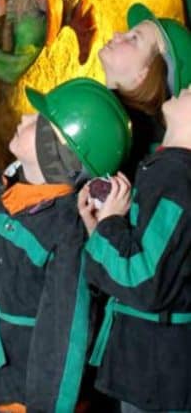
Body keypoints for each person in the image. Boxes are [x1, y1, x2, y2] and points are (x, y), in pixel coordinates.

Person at [0, 78, 132, 413]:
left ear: (59, 151)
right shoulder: (3, 192)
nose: (23, 119)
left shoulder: (68, 228)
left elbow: (64, 330)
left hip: (31, 392)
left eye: (37, 120)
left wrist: (46, 406)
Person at [77, 86, 191, 412]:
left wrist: (111, 223)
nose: (188, 86)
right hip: (147, 366)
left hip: (157, 373)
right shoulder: (166, 169)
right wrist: (99, 230)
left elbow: (145, 282)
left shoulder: (176, 181)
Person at [98, 2, 191, 180]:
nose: (117, 35)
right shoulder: (145, 142)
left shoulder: (115, 138)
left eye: (134, 38)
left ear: (145, 73)